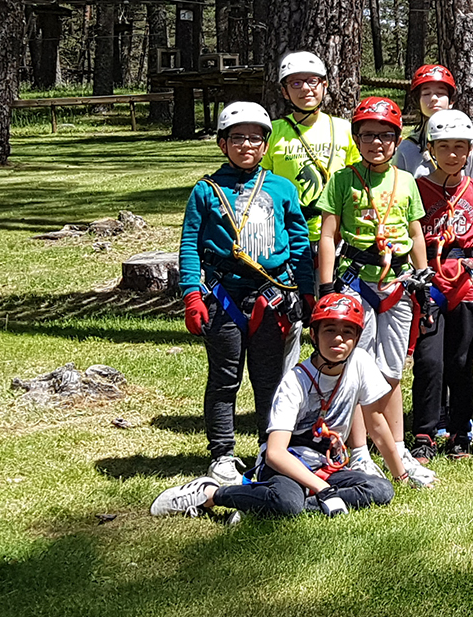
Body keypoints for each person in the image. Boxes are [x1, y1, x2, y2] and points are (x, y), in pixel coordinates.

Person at [149, 293, 415, 523]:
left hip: (325, 465)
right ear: (314, 335)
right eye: (329, 330)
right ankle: (210, 494)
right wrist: (323, 489)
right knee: (287, 503)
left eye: (348, 332)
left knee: (380, 489)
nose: (339, 338)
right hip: (287, 466)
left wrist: (401, 476)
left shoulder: (360, 363)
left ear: (357, 338)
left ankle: (261, 503)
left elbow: (376, 425)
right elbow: (275, 453)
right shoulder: (295, 382)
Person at [179, 102, 313, 485]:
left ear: (265, 144)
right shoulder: (206, 191)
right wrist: (191, 295)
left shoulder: (281, 188)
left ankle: (269, 450)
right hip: (223, 298)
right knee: (224, 379)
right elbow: (189, 244)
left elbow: (300, 242)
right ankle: (222, 454)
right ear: (222, 144)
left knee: (270, 380)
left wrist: (307, 292)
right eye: (237, 138)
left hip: (271, 299)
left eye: (255, 138)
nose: (247, 145)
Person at [314, 96, 436, 485]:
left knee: (392, 369)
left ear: (397, 140)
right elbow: (328, 235)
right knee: (354, 366)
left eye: (385, 136)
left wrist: (424, 279)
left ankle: (397, 448)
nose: (376, 143)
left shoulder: (406, 182)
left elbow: (416, 233)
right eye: (367, 135)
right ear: (356, 138)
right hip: (356, 282)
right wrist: (326, 287)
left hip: (398, 284)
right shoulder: (342, 180)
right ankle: (359, 451)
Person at [408, 109, 473, 463]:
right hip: (430, 281)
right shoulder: (417, 188)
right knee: (429, 361)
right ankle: (424, 433)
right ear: (430, 149)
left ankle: (460, 431)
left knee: (461, 360)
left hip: (464, 282)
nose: (453, 154)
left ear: (470, 150)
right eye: (444, 147)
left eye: (460, 146)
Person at [262, 51, 357, 244]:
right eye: (295, 83)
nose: (305, 88)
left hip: (337, 233)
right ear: (285, 92)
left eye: (313, 81)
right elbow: (261, 183)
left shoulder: (344, 129)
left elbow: (359, 178)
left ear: (325, 85)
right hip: (290, 234)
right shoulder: (273, 132)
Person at [392, 63, 473, 183]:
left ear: (451, 101)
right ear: (417, 101)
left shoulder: (467, 144)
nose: (434, 98)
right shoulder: (406, 148)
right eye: (426, 94)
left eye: (441, 93)